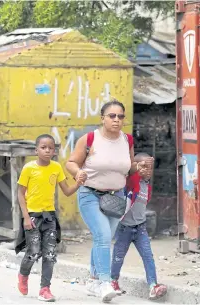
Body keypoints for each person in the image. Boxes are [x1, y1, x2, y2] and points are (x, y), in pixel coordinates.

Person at [66, 99, 153, 302]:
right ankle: (105, 283)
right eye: (112, 116)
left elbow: (128, 166)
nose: (116, 120)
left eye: (120, 116)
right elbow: (70, 162)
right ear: (103, 118)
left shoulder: (127, 140)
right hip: (90, 194)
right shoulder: (90, 139)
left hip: (116, 197)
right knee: (103, 235)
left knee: (103, 238)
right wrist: (78, 172)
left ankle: (93, 279)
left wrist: (137, 169)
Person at [16, 134, 81, 301]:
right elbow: (20, 193)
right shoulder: (29, 168)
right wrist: (25, 217)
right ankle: (23, 275)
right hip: (32, 216)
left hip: (49, 217)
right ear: (36, 150)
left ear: (54, 151)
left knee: (50, 254)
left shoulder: (56, 168)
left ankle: (45, 289)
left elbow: (66, 191)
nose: (47, 150)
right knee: (33, 252)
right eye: (43, 147)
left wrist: (78, 182)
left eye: (50, 148)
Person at [111, 153, 167, 300]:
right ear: (135, 167)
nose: (147, 171)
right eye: (143, 167)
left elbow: (144, 201)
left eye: (150, 168)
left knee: (148, 256)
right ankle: (113, 281)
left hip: (140, 227)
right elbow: (132, 179)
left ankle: (153, 286)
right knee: (118, 256)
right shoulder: (131, 181)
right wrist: (136, 170)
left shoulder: (146, 185)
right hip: (124, 228)